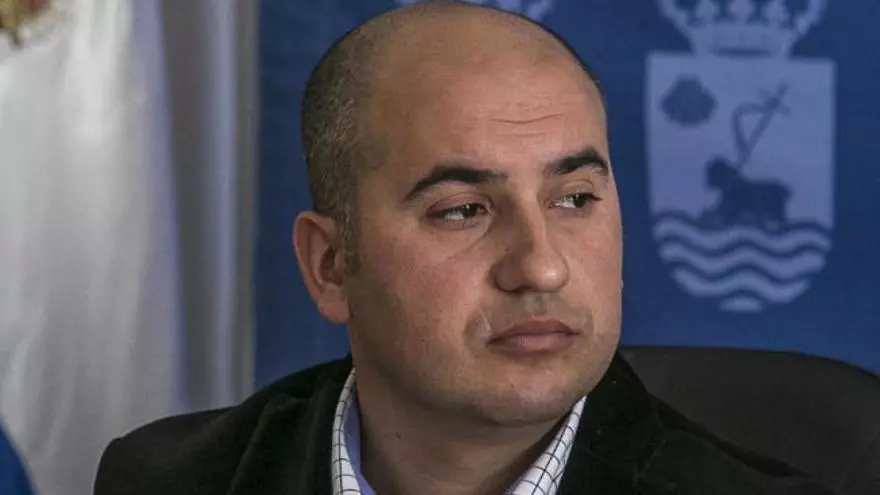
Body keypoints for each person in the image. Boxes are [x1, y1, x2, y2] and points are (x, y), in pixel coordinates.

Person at [94, 2, 836, 494]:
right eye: (463, 211)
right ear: (330, 265)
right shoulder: (168, 480)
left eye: (574, 199)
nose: (542, 265)